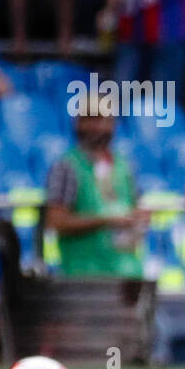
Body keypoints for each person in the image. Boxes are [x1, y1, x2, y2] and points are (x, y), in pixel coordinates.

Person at [45, 102, 149, 278]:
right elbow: (56, 221)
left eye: (107, 120)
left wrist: (139, 217)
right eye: (93, 120)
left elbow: (136, 206)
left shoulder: (124, 165)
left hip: (128, 274)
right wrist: (105, 221)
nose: (101, 127)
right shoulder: (67, 166)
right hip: (85, 276)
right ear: (79, 123)